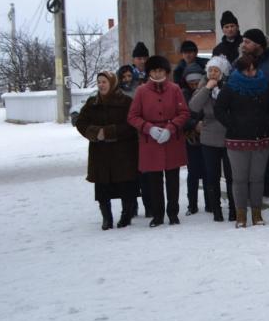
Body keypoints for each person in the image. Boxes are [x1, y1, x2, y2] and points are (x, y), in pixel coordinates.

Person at [127, 55, 190, 227]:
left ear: (166, 72)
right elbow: (132, 116)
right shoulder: (141, 91)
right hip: (151, 141)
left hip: (172, 140)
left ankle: (173, 213)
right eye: (154, 71)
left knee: (173, 180)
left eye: (160, 70)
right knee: (154, 182)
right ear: (149, 72)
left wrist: (171, 128)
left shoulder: (175, 89)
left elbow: (184, 113)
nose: (157, 74)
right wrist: (149, 128)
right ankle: (157, 215)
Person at [215, 54, 269, 227]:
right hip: (237, 139)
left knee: (257, 178)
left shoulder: (265, 85)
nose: (250, 73)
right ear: (239, 70)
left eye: (253, 69)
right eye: (246, 70)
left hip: (261, 138)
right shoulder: (230, 86)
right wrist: (232, 124)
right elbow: (219, 109)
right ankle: (241, 214)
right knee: (239, 179)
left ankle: (257, 213)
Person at [76, 71, 138, 229]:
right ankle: (106, 218)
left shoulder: (125, 101)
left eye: (104, 82)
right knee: (102, 187)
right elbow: (81, 123)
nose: (101, 85)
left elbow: (132, 124)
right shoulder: (92, 103)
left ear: (112, 83)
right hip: (100, 152)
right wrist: (95, 132)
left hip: (123, 152)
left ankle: (126, 216)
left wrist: (110, 132)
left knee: (125, 185)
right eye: (99, 82)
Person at [189, 55, 236, 222]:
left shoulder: (230, 86)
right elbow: (194, 106)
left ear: (222, 72)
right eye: (210, 70)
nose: (213, 73)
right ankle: (216, 210)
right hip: (209, 137)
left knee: (231, 176)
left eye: (216, 70)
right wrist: (207, 88)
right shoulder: (203, 86)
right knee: (212, 176)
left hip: (228, 134)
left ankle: (233, 209)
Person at [240, 28, 269, 197]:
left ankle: (268, 185)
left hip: (268, 112)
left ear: (258, 44)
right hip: (246, 113)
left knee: (268, 151)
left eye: (247, 41)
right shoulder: (241, 60)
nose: (243, 44)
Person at [181, 63, 208, 215]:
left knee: (208, 172)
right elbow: (181, 115)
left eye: (197, 82)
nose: (194, 85)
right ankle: (192, 205)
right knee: (193, 173)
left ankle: (210, 203)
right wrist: (194, 124)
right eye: (191, 83)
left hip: (207, 135)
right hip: (191, 137)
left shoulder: (207, 91)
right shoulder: (183, 94)